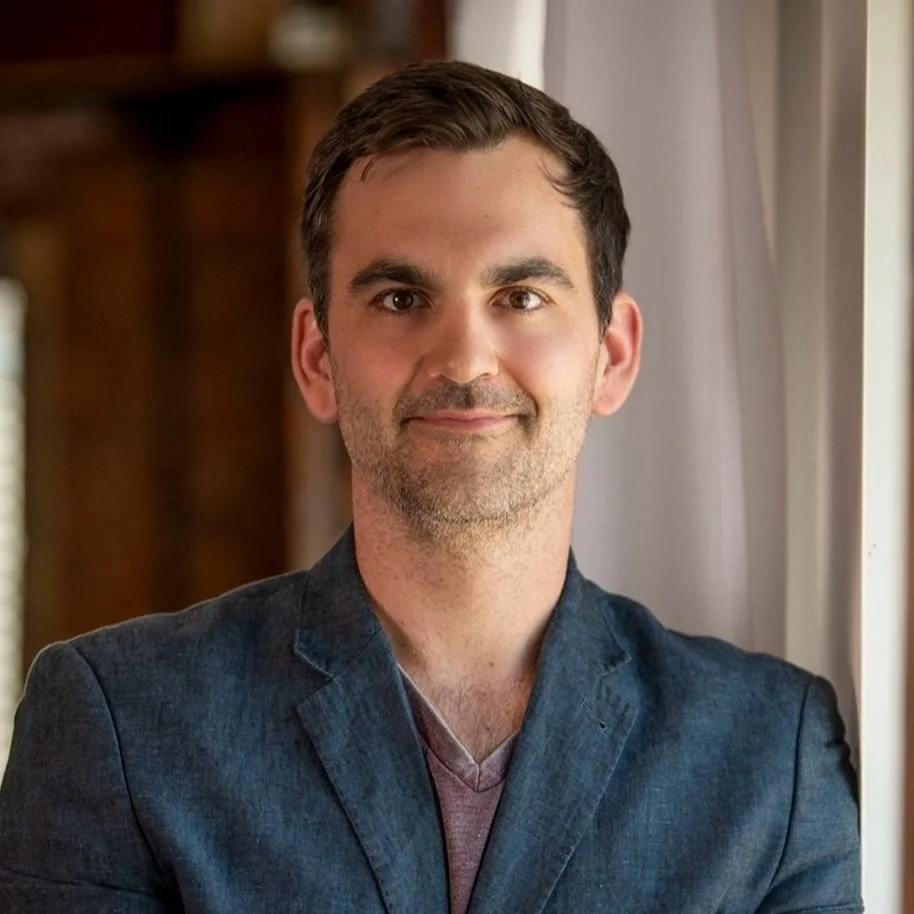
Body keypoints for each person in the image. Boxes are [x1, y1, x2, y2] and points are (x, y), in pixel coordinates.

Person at [0, 60, 861, 913]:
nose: (463, 360)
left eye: (521, 297)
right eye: (402, 297)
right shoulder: (118, 723)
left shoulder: (770, 756)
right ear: (316, 357)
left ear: (614, 354)